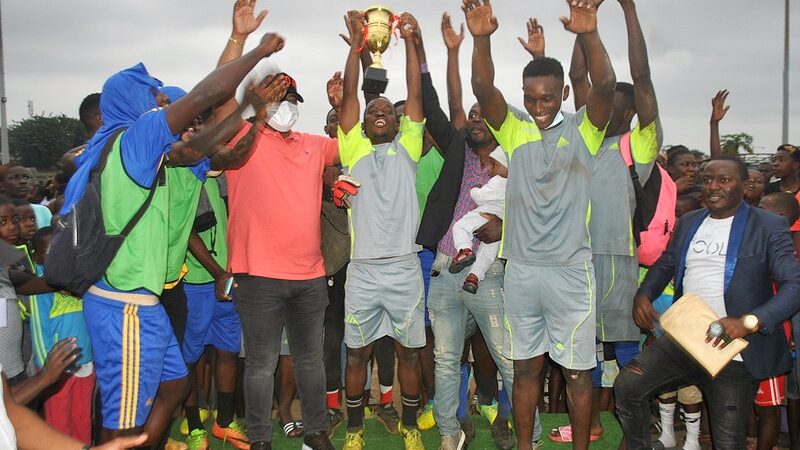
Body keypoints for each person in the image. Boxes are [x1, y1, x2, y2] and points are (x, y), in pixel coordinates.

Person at [58, 21, 285, 445]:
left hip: (146, 304)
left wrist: (249, 115)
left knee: (176, 386)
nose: (162, 100)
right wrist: (255, 55)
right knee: (121, 421)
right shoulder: (134, 138)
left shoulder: (149, 150)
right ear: (129, 103)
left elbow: (207, 147)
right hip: (122, 307)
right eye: (155, 95)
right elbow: (203, 97)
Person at [466, 0, 616, 449]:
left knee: (575, 371)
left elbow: (606, 83)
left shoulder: (584, 129)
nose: (538, 107)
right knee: (527, 367)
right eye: (530, 99)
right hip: (523, 271)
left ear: (565, 95)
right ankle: (526, 445)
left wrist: (589, 34)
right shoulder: (515, 128)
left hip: (571, 272)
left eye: (548, 99)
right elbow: (481, 86)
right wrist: (481, 39)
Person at [215, 2, 339, 449]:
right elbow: (219, 92)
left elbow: (349, 133)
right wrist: (239, 38)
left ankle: (315, 433)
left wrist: (349, 86)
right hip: (259, 277)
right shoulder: (241, 139)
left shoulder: (315, 145)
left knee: (311, 361)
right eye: (276, 99)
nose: (284, 107)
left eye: (291, 100)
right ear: (262, 103)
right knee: (261, 365)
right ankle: (262, 438)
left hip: (309, 275)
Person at [616, 156, 800, 450]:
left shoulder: (767, 225)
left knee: (727, 441)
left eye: (724, 180)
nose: (713, 186)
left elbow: (795, 284)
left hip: (732, 350)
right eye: (707, 180)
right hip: (685, 339)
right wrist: (643, 294)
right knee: (628, 385)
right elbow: (668, 262)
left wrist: (749, 321)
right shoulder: (690, 220)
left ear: (744, 184)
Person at [561, 0, 662, 442]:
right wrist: (587, 29)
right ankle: (595, 423)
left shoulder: (637, 146)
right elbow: (578, 78)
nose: (597, 107)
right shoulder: (582, 138)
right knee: (585, 350)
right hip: (574, 259)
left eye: (610, 104)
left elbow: (642, 76)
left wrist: (626, 8)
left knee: (626, 350)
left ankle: (636, 421)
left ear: (629, 114)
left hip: (617, 259)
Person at [337, 10, 425, 450]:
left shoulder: (410, 146)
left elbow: (414, 91)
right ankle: (354, 430)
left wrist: (411, 41)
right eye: (373, 109)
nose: (378, 112)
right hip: (364, 271)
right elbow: (350, 98)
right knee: (358, 352)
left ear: (398, 121)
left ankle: (409, 424)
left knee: (409, 352)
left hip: (405, 268)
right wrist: (355, 47)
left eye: (386, 110)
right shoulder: (352, 146)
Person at [448, 148, 507, 294]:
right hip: (501, 220)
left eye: (495, 165)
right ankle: (474, 277)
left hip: (485, 214)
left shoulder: (499, 181)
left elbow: (481, 197)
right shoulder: (516, 186)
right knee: (487, 252)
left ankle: (464, 250)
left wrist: (475, 189)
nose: (491, 169)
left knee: (460, 227)